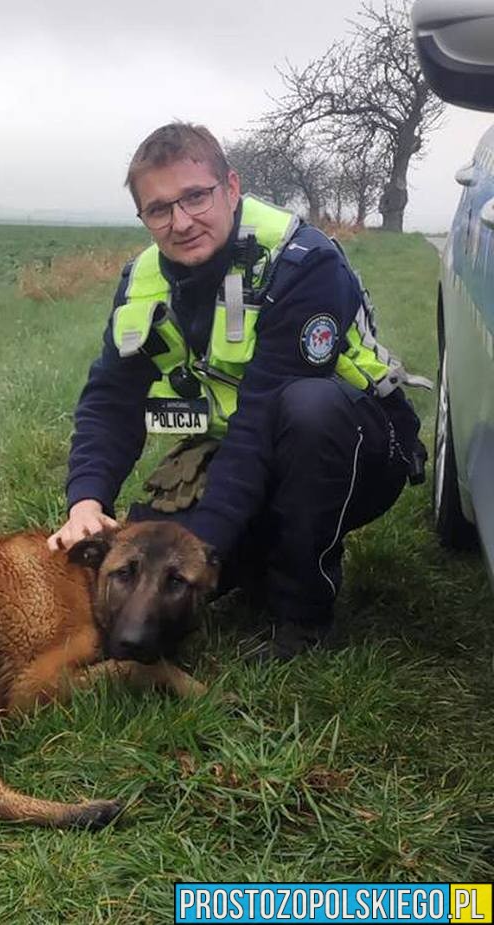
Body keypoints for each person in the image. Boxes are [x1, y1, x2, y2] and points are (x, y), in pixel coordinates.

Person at [47, 122, 428, 658]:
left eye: (195, 197)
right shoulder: (143, 279)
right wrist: (86, 499)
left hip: (353, 447)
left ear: (230, 187)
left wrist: (200, 550)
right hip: (237, 450)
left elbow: (262, 420)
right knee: (146, 556)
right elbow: (112, 398)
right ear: (144, 217)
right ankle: (260, 557)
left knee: (307, 410)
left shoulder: (302, 263)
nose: (181, 222)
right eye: (159, 209)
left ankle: (304, 617)